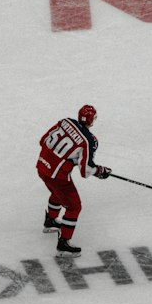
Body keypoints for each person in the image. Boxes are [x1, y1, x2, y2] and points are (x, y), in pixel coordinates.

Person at [38, 104, 110, 255]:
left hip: (42, 167)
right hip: (57, 176)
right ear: (91, 120)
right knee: (74, 207)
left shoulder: (65, 121)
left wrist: (69, 157)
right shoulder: (88, 140)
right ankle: (63, 243)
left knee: (57, 193)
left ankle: (50, 220)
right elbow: (86, 170)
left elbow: (43, 140)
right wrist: (100, 171)